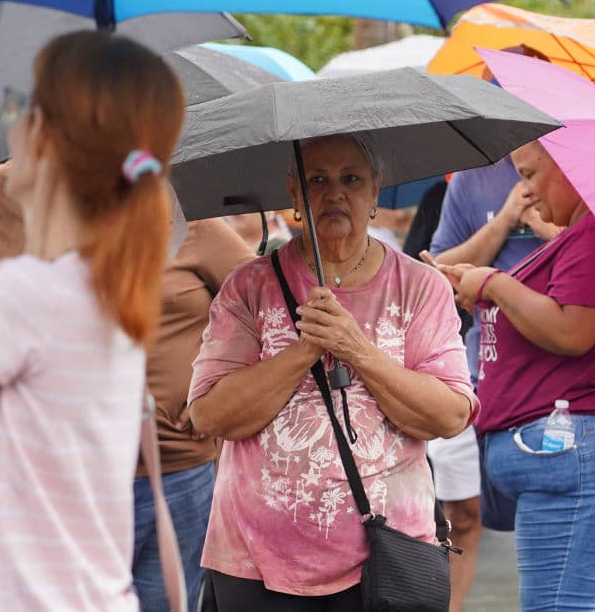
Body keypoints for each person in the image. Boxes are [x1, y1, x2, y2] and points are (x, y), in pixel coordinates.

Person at [188, 134, 477, 609]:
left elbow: (447, 417)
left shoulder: (420, 288)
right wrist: (304, 351)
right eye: (317, 180)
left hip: (386, 561)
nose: (335, 193)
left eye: (351, 179)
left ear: (375, 191)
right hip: (257, 563)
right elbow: (211, 416)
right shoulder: (250, 286)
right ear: (295, 194)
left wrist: (356, 349)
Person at [0, 31, 185, 609]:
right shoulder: (94, 290)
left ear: (46, 140)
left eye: (21, 106)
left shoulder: (27, 296)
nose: (9, 124)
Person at [436, 139, 595, 611]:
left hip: (584, 458)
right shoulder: (591, 233)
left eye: (530, 174)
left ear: (573, 167)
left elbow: (571, 331)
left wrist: (493, 282)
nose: (523, 189)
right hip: (588, 454)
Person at [423, 156, 558, 611]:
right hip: (482, 365)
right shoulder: (470, 175)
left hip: (562, 374)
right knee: (459, 513)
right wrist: (504, 220)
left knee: (565, 515)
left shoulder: (577, 165)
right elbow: (441, 271)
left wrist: (544, 229)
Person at [133, 219, 255, 611]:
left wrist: (222, 384)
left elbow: (273, 306)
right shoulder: (47, 212)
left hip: (178, 475)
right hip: (76, 475)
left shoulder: (195, 227)